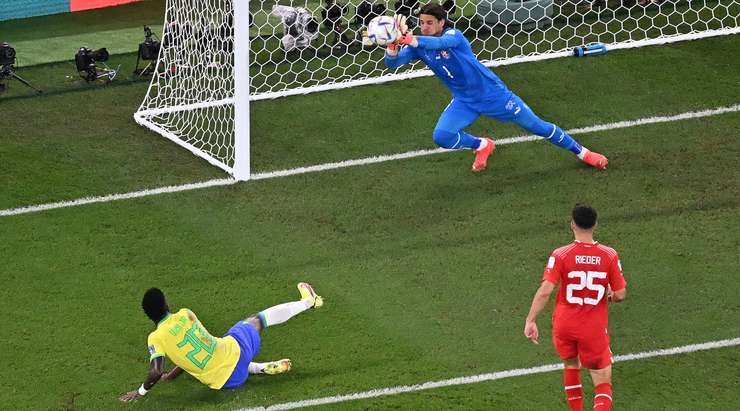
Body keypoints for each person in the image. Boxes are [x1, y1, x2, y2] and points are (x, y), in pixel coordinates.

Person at [383, 3, 609, 173]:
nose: (424, 27)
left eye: (429, 23)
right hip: (464, 101)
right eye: (421, 23)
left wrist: (409, 39)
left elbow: (441, 43)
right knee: (442, 136)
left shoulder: (453, 35)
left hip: (494, 96)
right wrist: (392, 44)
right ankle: (482, 145)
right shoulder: (419, 46)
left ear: (442, 23)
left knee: (537, 126)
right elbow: (392, 63)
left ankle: (583, 153)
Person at [119, 282, 324, 402]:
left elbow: (159, 370)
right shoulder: (185, 314)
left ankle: (261, 368)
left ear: (149, 315)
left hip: (229, 381)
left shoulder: (155, 338)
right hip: (236, 351)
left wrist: (143, 390)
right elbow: (198, 343)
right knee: (258, 320)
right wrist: (155, 383)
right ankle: (309, 301)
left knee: (218, 362)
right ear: (166, 304)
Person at [524, 204, 626, 410]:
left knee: (571, 364)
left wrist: (531, 320)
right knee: (602, 379)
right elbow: (621, 294)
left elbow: (545, 291)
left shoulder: (561, 254)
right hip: (592, 328)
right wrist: (611, 296)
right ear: (595, 225)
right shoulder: (609, 255)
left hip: (564, 325)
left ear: (572, 224)